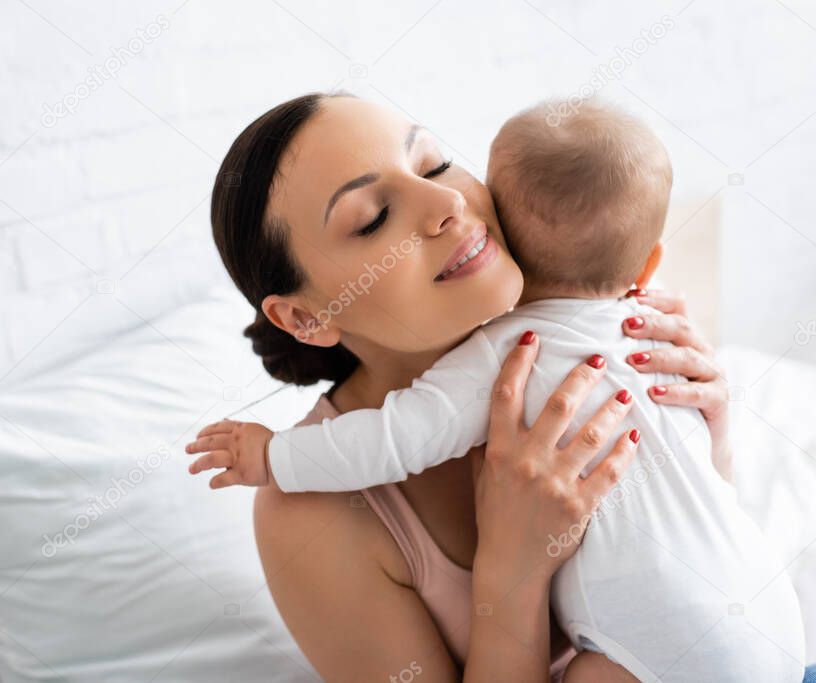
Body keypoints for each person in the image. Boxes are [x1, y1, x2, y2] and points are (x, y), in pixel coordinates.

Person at [189, 101, 805, 681]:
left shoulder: (595, 309)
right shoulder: (313, 511)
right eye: (373, 218)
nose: (446, 203)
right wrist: (514, 571)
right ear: (305, 319)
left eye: (433, 163)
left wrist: (710, 430)